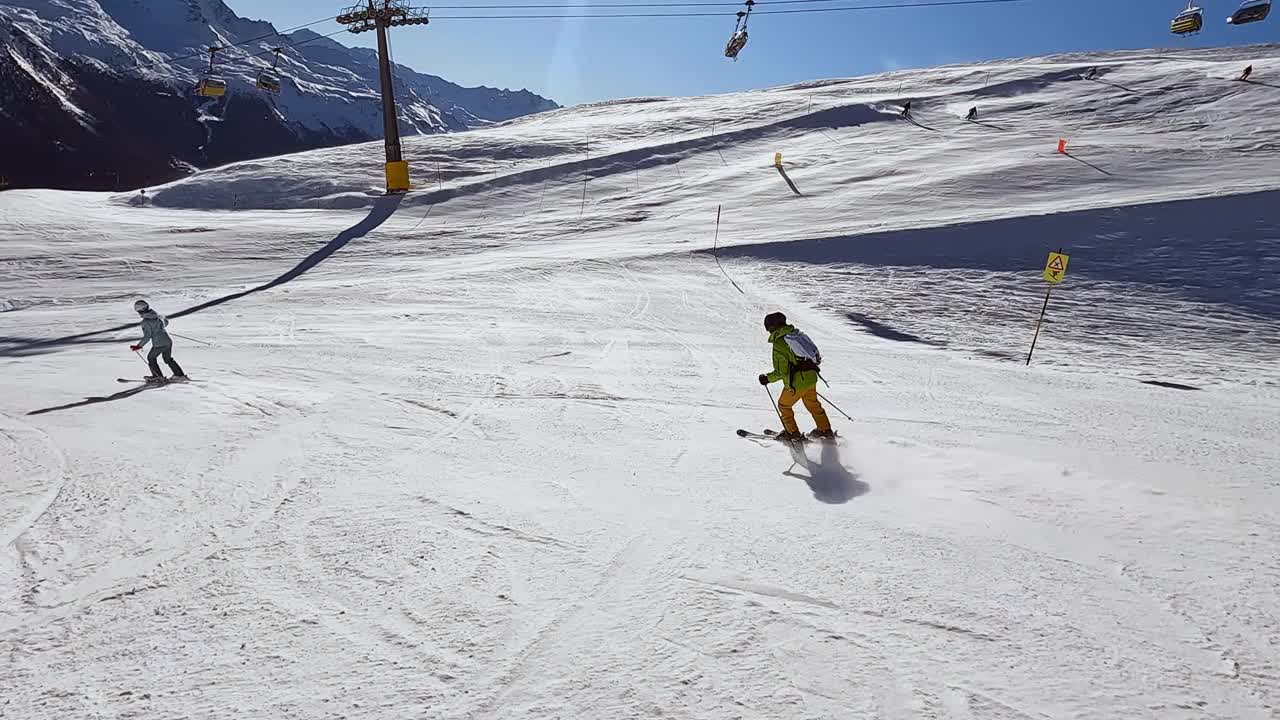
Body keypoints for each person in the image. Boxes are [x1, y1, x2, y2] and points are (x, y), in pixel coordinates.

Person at [758, 312, 833, 441]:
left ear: (771, 327)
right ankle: (825, 430)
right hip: (811, 378)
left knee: (784, 405)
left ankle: (792, 434)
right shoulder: (795, 335)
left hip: (797, 383)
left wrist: (767, 378)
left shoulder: (780, 343)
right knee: (813, 405)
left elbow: (781, 372)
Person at [129, 300, 186, 383]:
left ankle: (157, 377)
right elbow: (166, 322)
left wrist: (139, 346)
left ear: (140, 311)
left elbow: (147, 336)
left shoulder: (146, 322)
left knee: (151, 358)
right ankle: (179, 375)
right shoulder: (157, 315)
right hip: (167, 341)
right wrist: (159, 329)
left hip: (159, 344)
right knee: (168, 359)